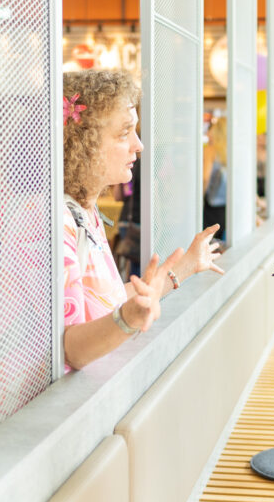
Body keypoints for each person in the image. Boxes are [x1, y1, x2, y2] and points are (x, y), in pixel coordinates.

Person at [63, 69, 224, 371]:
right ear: (81, 141)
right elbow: (71, 350)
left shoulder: (83, 211)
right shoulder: (55, 222)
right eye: (124, 133)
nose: (139, 145)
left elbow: (105, 302)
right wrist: (127, 321)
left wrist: (186, 266)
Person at [202, 116, 227, 241]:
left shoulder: (210, 150)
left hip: (210, 206)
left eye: (210, 129)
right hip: (225, 207)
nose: (207, 132)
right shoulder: (230, 152)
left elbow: (205, 178)